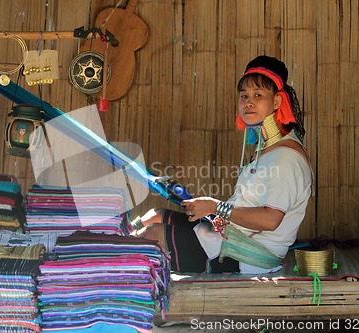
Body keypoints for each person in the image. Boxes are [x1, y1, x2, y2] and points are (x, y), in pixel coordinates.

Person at [132, 55, 313, 274]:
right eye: (244, 95)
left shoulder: (286, 158)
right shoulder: (266, 150)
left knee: (154, 233)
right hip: (229, 235)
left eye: (258, 95)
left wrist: (215, 206)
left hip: (247, 255)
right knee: (156, 213)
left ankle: (107, 258)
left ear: (276, 102)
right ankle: (117, 237)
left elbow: (271, 219)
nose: (248, 102)